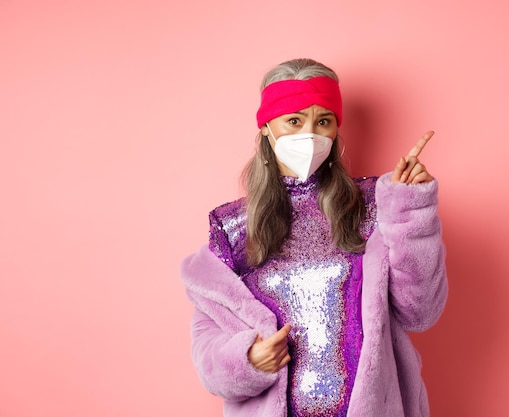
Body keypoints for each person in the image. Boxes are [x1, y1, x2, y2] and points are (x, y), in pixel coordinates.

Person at [180, 58, 448, 417]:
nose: (310, 134)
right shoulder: (232, 228)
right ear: (266, 128)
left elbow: (420, 312)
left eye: (323, 121)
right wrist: (247, 361)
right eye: (294, 121)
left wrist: (410, 209)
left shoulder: (373, 205)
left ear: (336, 129)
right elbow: (207, 346)